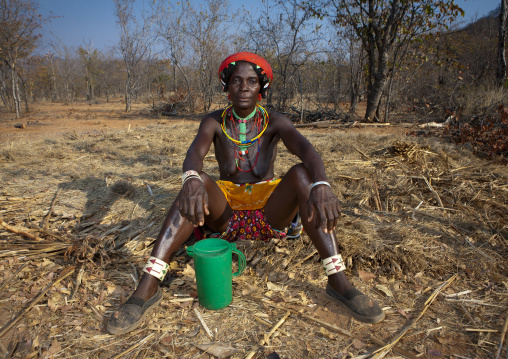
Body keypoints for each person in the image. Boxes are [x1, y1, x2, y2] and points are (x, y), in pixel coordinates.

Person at [107, 52, 384, 335]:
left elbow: (307, 151)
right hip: (225, 215)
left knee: (303, 174)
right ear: (226, 88)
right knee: (197, 180)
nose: (243, 87)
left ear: (261, 89)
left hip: (270, 213)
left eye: (252, 81)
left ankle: (338, 281)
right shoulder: (213, 121)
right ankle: (148, 285)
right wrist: (190, 178)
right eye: (236, 81)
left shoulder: (275, 121)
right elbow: (194, 154)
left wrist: (322, 184)